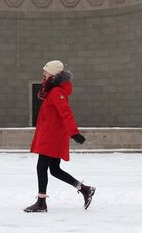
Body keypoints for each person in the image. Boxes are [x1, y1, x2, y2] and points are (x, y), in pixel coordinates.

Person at [24, 60, 96, 213]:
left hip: (52, 136)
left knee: (41, 167)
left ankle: (41, 202)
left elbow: (66, 112)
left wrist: (74, 133)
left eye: (46, 72)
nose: (44, 74)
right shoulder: (52, 90)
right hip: (50, 134)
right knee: (55, 169)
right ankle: (84, 189)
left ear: (54, 74)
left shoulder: (57, 92)